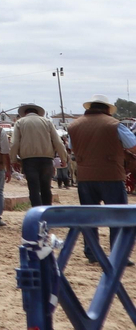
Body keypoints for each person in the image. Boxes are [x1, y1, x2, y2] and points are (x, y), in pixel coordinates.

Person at [67, 94, 136, 261]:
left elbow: (71, 148)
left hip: (85, 177)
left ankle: (92, 252)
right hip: (111, 175)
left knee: (89, 215)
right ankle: (118, 254)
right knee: (117, 215)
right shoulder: (114, 125)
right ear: (106, 109)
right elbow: (133, 146)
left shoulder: (74, 126)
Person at [11, 102, 71, 208]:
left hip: (28, 160)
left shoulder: (20, 123)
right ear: (38, 113)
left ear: (24, 113)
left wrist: (13, 160)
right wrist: (63, 158)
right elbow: (58, 142)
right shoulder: (47, 122)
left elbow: (14, 143)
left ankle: (36, 214)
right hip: (46, 159)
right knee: (46, 188)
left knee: (33, 189)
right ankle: (47, 213)